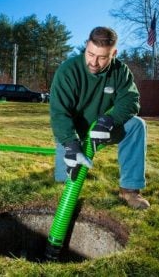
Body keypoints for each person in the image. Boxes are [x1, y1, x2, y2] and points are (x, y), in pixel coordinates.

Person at [49, 26, 150, 210]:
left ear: (114, 53)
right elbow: (59, 112)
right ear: (87, 46)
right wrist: (70, 145)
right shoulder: (68, 70)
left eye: (102, 57)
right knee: (63, 184)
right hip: (75, 130)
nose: (94, 62)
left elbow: (131, 100)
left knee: (137, 126)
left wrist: (109, 121)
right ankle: (64, 183)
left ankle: (129, 190)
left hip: (105, 128)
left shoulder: (120, 71)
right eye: (90, 54)